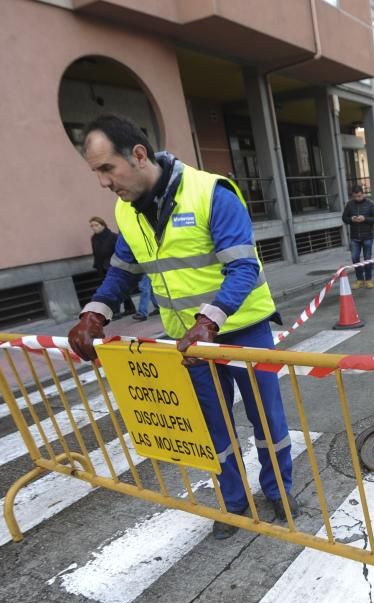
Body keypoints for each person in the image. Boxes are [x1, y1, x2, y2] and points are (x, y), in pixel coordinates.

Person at [68, 114, 294, 540]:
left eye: (106, 168)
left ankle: (279, 491)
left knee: (267, 421)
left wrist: (210, 319)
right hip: (188, 344)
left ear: (137, 155)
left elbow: (243, 269)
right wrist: (94, 313)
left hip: (244, 332)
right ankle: (234, 505)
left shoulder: (211, 193)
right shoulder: (126, 211)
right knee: (213, 427)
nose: (103, 182)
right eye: (96, 171)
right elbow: (121, 272)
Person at [89, 217, 136, 316]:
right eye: (92, 226)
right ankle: (128, 308)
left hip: (114, 265)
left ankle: (118, 311)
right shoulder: (94, 239)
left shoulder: (112, 236)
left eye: (96, 225)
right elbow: (96, 253)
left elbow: (118, 251)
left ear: (103, 225)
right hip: (102, 266)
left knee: (116, 287)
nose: (94, 228)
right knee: (115, 288)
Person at [341, 185, 374, 288]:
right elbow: (344, 218)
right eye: (355, 196)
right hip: (355, 236)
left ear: (363, 194)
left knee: (367, 258)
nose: (357, 198)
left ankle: (368, 279)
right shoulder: (349, 204)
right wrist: (351, 219)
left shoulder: (370, 204)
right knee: (355, 259)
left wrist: (365, 219)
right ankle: (359, 279)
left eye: (359, 196)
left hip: (367, 236)